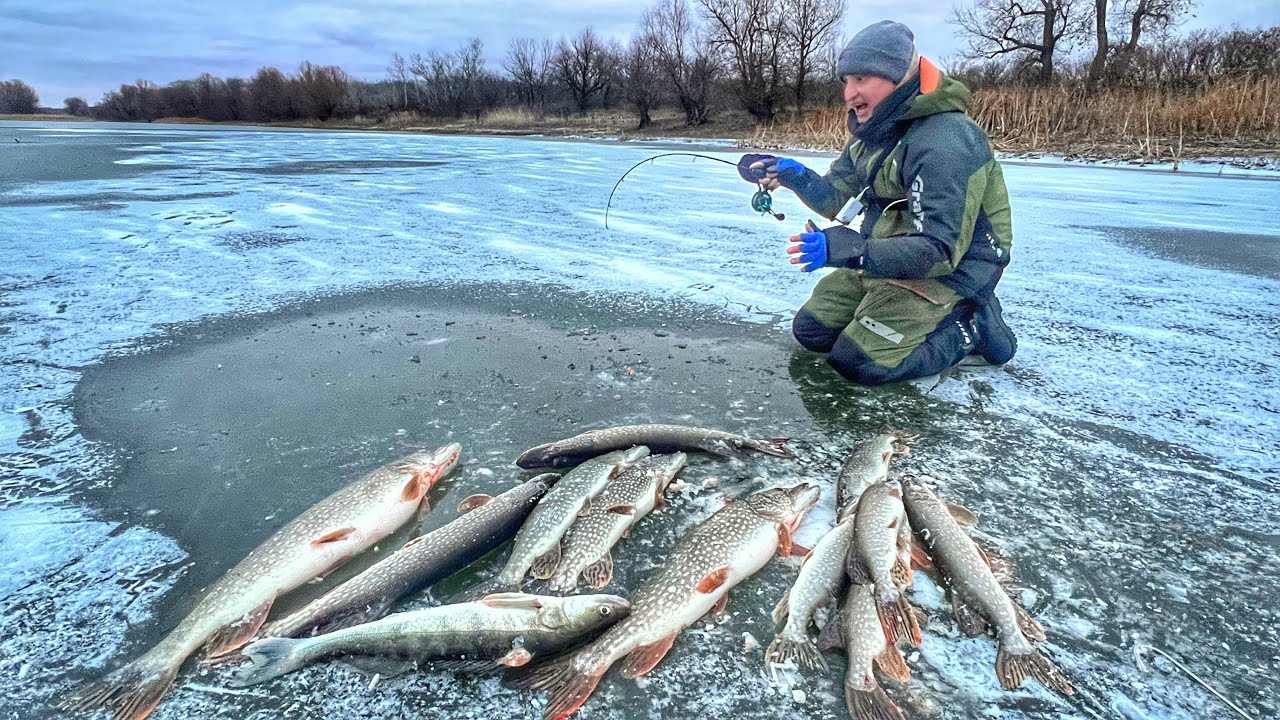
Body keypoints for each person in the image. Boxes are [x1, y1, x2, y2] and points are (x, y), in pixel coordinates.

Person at [738, 20, 1017, 386]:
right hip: (890, 254)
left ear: (899, 75)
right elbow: (836, 198)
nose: (850, 93)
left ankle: (972, 325)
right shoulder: (875, 133)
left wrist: (853, 251)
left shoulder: (946, 140)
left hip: (956, 268)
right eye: (846, 81)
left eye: (861, 79)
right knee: (812, 331)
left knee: (861, 363)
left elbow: (940, 249)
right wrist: (791, 174)